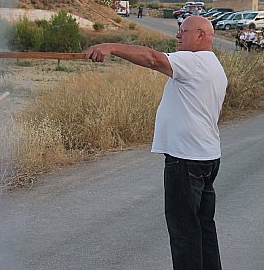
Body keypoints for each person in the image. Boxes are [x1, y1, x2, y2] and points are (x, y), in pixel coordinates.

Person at [85, 16, 227, 269]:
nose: (178, 36)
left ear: (201, 35)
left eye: (183, 31)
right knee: (203, 227)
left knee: (184, 231)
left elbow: (152, 59)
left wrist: (111, 47)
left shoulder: (193, 61)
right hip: (206, 155)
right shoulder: (213, 65)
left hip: (186, 158)